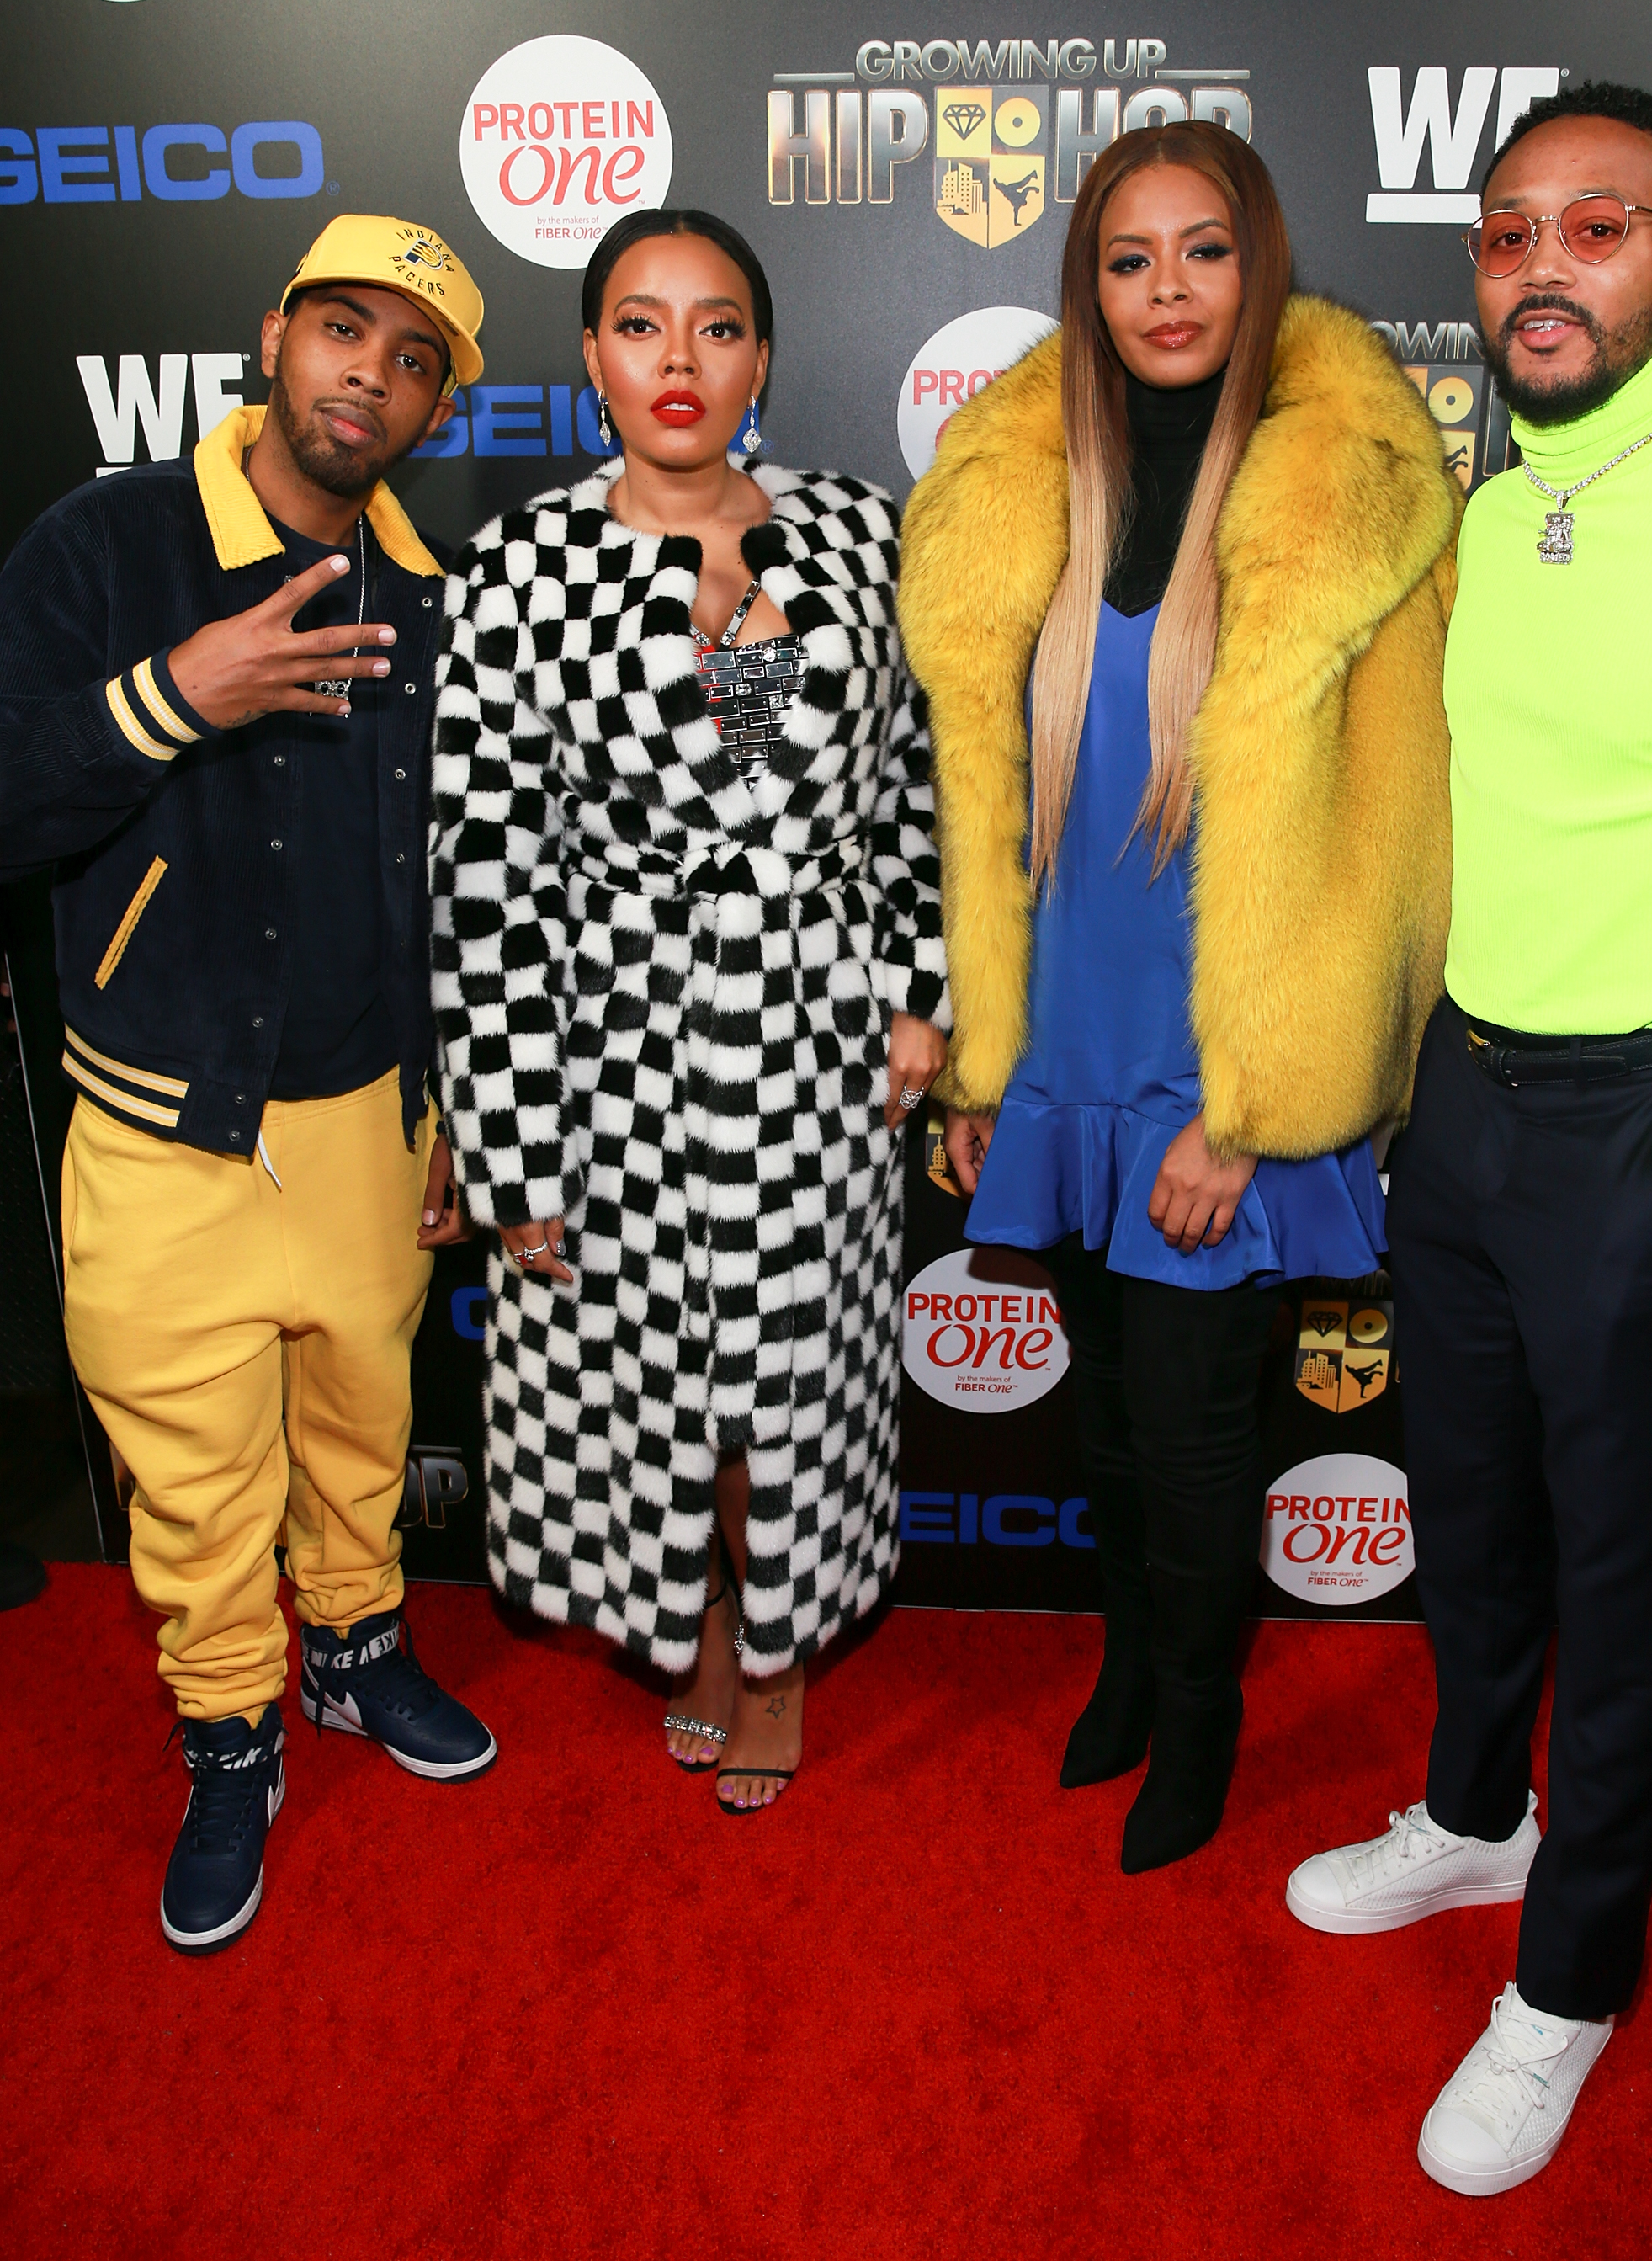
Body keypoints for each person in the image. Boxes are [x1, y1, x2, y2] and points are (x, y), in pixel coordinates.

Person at [1284, 81, 1652, 2196]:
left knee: (1616, 1581)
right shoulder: (1490, 512)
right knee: (1472, 1523)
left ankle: (1569, 1982)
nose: (1535, 265)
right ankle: (1472, 1824)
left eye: (1593, 229)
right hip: (1470, 1102)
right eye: (1504, 230)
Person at [899, 121, 1458, 1874]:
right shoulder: (1013, 487)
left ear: (1257, 259)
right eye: (1127, 258)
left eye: (1200, 250)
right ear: (1086, 281)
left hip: (1227, 1065)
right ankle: (1132, 1666)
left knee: (1204, 1430)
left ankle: (1200, 1722)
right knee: (1109, 1421)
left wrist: (1253, 1108)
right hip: (1059, 1053)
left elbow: (1393, 843)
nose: (1164, 289)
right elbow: (981, 813)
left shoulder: (1346, 492)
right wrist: (985, 1053)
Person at [0, 215, 499, 1955]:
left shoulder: (436, 604)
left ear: (437, 408)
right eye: (344, 330)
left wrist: (453, 1105)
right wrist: (169, 698)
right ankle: (231, 1733)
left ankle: (356, 1655)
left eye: (415, 355)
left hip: (368, 1120)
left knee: (360, 1438)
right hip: (157, 1126)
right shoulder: (107, 544)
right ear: (274, 336)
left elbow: (465, 879)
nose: (371, 370)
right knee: (198, 1483)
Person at [430, 208, 948, 1813]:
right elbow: (488, 862)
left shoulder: (863, 534)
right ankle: (705, 1618)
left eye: (715, 326)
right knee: (654, 1365)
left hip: (813, 1028)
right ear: (591, 358)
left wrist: (916, 994)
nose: (679, 360)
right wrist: (512, 1144)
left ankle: (779, 1643)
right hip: (613, 1038)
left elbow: (915, 795)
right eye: (640, 326)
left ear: (761, 358)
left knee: (788, 1365)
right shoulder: (524, 565)